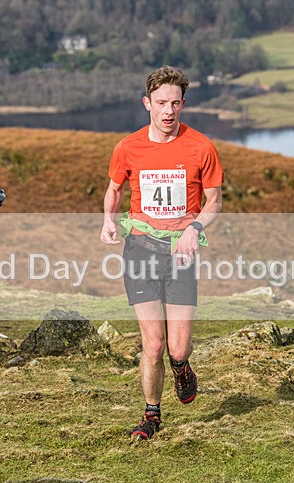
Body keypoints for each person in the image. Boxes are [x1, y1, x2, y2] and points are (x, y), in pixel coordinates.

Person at [100, 65, 224, 439]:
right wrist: (108, 219)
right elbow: (115, 190)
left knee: (177, 346)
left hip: (181, 253)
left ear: (183, 104)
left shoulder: (201, 146)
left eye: (175, 103)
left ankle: (182, 367)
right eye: (160, 103)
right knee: (152, 343)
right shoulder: (128, 147)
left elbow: (214, 201)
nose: (168, 111)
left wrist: (194, 228)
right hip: (139, 249)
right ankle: (151, 415)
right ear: (147, 104)